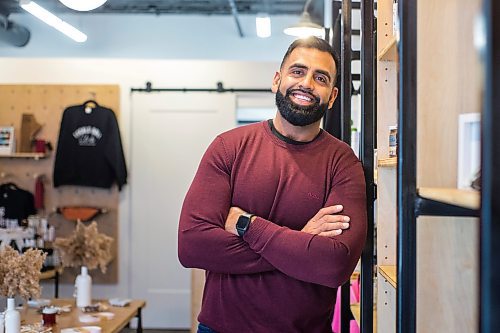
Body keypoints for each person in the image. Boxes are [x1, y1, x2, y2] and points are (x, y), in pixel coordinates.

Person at [178, 36, 367, 333]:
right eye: (297, 71)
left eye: (321, 78)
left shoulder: (343, 162)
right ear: (277, 80)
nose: (306, 83)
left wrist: (246, 225)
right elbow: (193, 246)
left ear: (332, 96)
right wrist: (301, 242)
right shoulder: (229, 148)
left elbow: (334, 265)